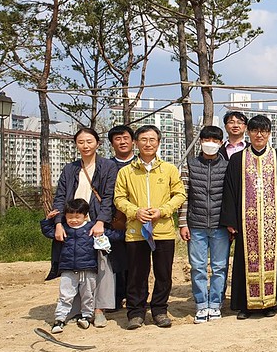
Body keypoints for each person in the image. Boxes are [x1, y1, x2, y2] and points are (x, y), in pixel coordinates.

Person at [221, 115, 277, 319]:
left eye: (263, 131)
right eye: (255, 130)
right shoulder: (238, 159)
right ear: (249, 133)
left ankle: (271, 303)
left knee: (273, 260)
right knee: (244, 261)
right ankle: (245, 305)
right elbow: (230, 191)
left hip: (273, 222)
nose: (259, 135)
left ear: (269, 134)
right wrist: (231, 221)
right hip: (246, 222)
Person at [114, 125, 186, 329]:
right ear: (136, 143)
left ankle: (160, 310)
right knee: (137, 273)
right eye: (143, 139)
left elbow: (179, 194)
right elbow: (119, 198)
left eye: (152, 140)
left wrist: (163, 210)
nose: (148, 144)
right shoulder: (126, 172)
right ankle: (136, 312)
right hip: (136, 231)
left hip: (162, 230)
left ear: (159, 143)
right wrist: (134, 211)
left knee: (163, 273)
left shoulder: (169, 170)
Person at [51, 127, 118, 328]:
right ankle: (78, 309)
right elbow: (60, 197)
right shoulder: (70, 168)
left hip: (95, 222)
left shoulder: (107, 166)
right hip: (72, 223)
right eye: (81, 142)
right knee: (73, 266)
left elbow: (108, 197)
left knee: (102, 266)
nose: (85, 145)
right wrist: (58, 223)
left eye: (89, 141)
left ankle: (99, 309)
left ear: (98, 143)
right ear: (76, 145)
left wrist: (100, 222)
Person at [42, 199, 122, 333]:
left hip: (88, 269)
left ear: (85, 215)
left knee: (88, 295)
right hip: (68, 269)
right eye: (70, 217)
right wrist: (48, 220)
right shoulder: (64, 229)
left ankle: (86, 316)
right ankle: (60, 319)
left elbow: (112, 235)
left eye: (77, 217)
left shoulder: (92, 228)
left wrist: (129, 233)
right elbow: (48, 232)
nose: (73, 220)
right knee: (65, 294)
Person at [179, 126, 230, 323]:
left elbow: (230, 197)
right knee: (198, 267)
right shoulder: (190, 165)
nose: (211, 144)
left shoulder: (226, 166)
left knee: (219, 267)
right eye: (206, 139)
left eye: (215, 140)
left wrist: (230, 224)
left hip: (220, 226)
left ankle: (215, 304)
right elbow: (184, 196)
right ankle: (201, 305)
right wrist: (183, 223)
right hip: (196, 224)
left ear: (220, 143)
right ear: (200, 142)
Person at [108, 124, 135, 310]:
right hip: (114, 220)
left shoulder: (142, 163)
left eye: (125, 138)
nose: (122, 142)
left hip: (139, 219)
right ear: (111, 143)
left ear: (133, 141)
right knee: (116, 259)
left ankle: (135, 297)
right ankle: (116, 297)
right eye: (117, 139)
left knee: (137, 260)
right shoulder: (107, 165)